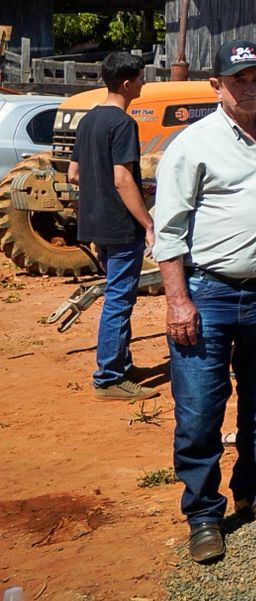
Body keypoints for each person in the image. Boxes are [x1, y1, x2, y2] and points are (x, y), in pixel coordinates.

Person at [152, 40, 256, 564]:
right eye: (237, 78)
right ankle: (203, 514)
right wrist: (177, 300)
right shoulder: (192, 144)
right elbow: (167, 231)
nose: (249, 85)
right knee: (198, 410)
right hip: (207, 293)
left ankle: (254, 487)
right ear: (217, 85)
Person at [69, 51, 158, 401]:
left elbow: (74, 174)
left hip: (93, 224)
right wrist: (148, 223)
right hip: (120, 227)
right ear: (126, 83)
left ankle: (120, 361)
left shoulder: (88, 120)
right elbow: (122, 179)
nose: (144, 83)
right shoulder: (123, 124)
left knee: (115, 294)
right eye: (140, 78)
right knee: (119, 300)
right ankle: (109, 377)